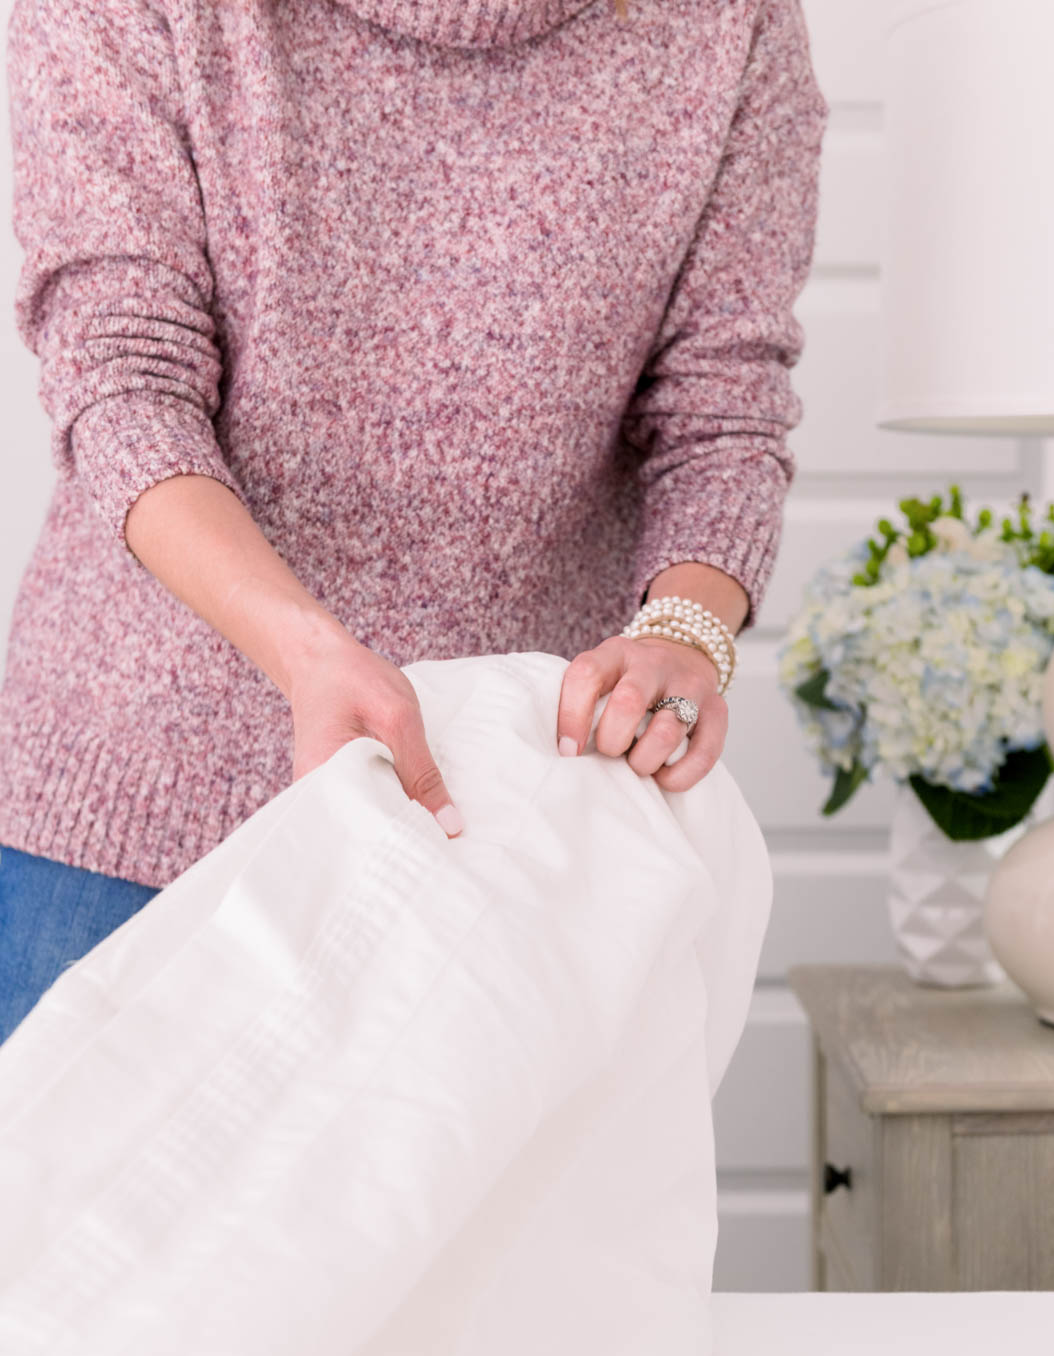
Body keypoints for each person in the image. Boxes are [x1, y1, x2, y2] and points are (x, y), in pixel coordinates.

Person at [0, 0, 828, 1045]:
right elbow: (123, 377)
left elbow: (723, 409)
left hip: (500, 827)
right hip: (128, 827)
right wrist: (308, 656)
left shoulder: (728, 21)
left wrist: (684, 633)